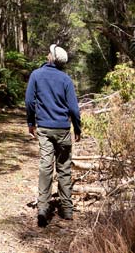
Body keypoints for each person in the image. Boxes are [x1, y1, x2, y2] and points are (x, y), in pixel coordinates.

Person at [25, 44, 81, 227]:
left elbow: (29, 102)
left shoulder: (36, 75)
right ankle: (67, 210)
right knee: (64, 169)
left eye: (49, 52)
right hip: (63, 129)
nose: (47, 53)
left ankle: (43, 208)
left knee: (45, 166)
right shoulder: (65, 79)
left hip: (45, 129)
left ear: (51, 58)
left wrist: (31, 123)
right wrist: (77, 128)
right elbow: (73, 107)